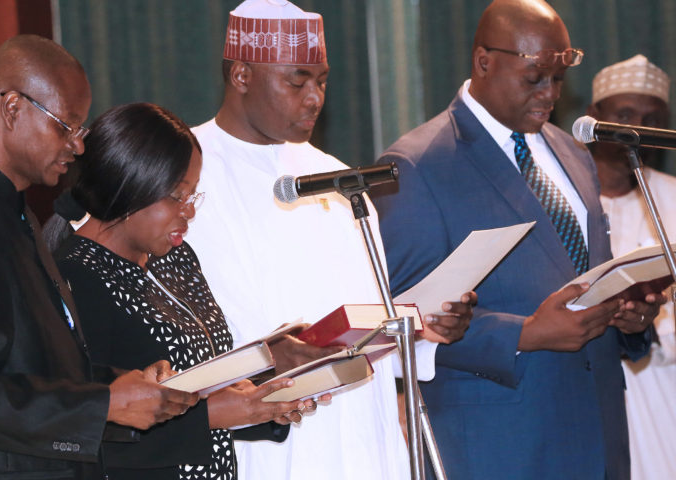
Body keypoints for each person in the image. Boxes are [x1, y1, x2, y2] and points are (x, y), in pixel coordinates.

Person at [371, 1, 665, 479]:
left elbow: (591, 274)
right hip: (500, 445)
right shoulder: (417, 165)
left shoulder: (571, 151)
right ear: (484, 61)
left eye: (559, 78)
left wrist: (630, 318)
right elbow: (405, 323)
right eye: (534, 78)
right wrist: (526, 333)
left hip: (598, 435)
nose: (549, 94)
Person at [187, 1, 476, 479]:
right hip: (267, 443)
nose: (314, 97)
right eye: (297, 80)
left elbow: (368, 315)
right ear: (241, 74)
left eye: (321, 81)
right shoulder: (184, 174)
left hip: (362, 433)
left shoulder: (338, 179)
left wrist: (424, 329)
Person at [0, 35, 199, 479]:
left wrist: (121, 386)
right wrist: (104, 404)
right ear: (13, 108)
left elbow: (38, 367)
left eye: (81, 130)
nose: (77, 146)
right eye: (64, 126)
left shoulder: (10, 211)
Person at [47, 102, 315, 480]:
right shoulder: (76, 275)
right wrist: (212, 416)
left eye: (193, 196)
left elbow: (200, 382)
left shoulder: (175, 258)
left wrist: (262, 399)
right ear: (128, 184)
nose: (189, 212)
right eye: (176, 196)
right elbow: (84, 430)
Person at [587, 54, 676, 480]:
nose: (636, 130)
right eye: (624, 115)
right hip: (589, 386)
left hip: (666, 389)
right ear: (593, 117)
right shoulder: (562, 199)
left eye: (650, 118)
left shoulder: (674, 197)